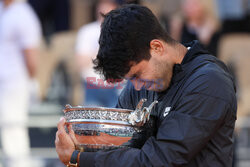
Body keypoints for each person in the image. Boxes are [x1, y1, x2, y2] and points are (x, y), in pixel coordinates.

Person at [55, 4, 237, 167]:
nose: (135, 85)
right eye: (129, 79)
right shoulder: (139, 85)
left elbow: (159, 160)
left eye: (137, 74)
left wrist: (78, 158)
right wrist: (77, 142)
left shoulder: (209, 82)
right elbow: (115, 148)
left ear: (157, 47)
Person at [0, 0, 41, 166]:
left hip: (14, 82)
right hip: (4, 81)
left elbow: (31, 55)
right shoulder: (4, 10)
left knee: (14, 129)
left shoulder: (23, 14)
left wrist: (30, 81)